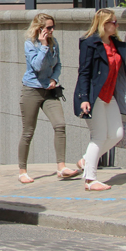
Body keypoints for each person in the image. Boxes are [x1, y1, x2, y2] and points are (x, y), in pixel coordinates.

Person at [74, 9, 126, 192]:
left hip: (110, 96)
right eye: (113, 22)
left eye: (116, 22)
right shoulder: (90, 43)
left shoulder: (115, 43)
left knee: (117, 134)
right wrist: (84, 98)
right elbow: (84, 73)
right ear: (103, 24)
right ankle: (90, 180)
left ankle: (86, 160)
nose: (116, 25)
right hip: (94, 96)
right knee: (99, 136)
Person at [18, 13, 80, 183]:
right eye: (49, 28)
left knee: (60, 125)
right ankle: (22, 171)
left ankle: (61, 167)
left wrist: (54, 79)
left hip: (49, 91)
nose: (52, 30)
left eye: (53, 27)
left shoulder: (55, 43)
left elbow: (58, 64)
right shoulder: (30, 44)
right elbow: (37, 66)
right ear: (39, 29)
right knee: (28, 132)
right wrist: (44, 45)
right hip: (32, 90)